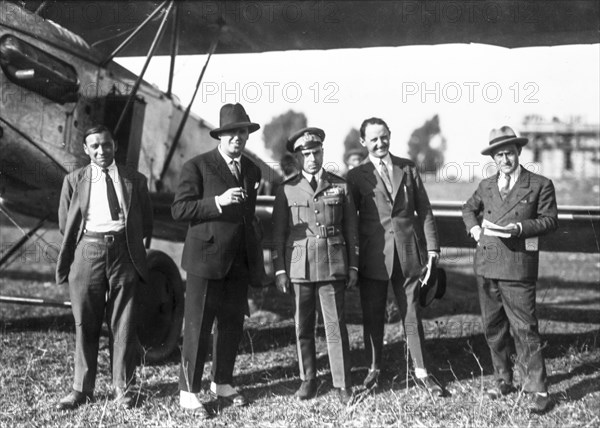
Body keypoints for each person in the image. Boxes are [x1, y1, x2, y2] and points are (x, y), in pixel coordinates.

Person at [171, 103, 264, 418]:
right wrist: (216, 202)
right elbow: (180, 209)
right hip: (205, 259)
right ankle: (188, 392)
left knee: (232, 325)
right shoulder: (197, 166)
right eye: (231, 133)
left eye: (242, 132)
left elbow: (248, 217)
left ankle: (222, 382)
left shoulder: (253, 170)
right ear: (219, 136)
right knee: (198, 327)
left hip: (238, 261)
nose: (237, 138)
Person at [55, 125, 153, 410]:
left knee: (123, 322)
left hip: (124, 251)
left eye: (106, 144)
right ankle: (81, 389)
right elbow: (65, 223)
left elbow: (146, 220)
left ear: (115, 146)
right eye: (94, 146)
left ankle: (124, 388)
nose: (101, 151)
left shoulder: (135, 179)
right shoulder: (74, 180)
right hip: (88, 251)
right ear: (86, 149)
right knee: (86, 321)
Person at [462, 126, 558, 413]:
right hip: (487, 265)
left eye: (510, 153)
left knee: (525, 329)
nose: (505, 159)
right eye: (499, 154)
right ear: (493, 157)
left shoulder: (540, 184)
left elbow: (550, 221)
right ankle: (503, 379)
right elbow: (468, 209)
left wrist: (519, 228)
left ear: (519, 153)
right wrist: (476, 229)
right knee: (494, 327)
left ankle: (539, 389)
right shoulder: (486, 186)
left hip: (518, 267)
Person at [346, 117, 443, 396]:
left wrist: (433, 251)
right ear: (363, 142)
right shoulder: (355, 176)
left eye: (384, 137)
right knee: (373, 316)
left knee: (411, 313)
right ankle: (373, 370)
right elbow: (350, 222)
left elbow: (424, 210)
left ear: (390, 136)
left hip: (409, 254)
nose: (380, 143)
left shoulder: (407, 168)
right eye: (373, 139)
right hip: (372, 257)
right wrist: (352, 260)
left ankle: (422, 371)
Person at [271, 127, 358, 404]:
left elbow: (351, 229)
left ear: (323, 152)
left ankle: (342, 382)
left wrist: (353, 266)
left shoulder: (340, 186)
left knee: (335, 324)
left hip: (332, 263)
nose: (312, 158)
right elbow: (279, 233)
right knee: (302, 326)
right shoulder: (287, 189)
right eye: (306, 154)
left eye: (316, 152)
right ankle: (308, 379)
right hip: (299, 266)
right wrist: (281, 270)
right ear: (298, 158)